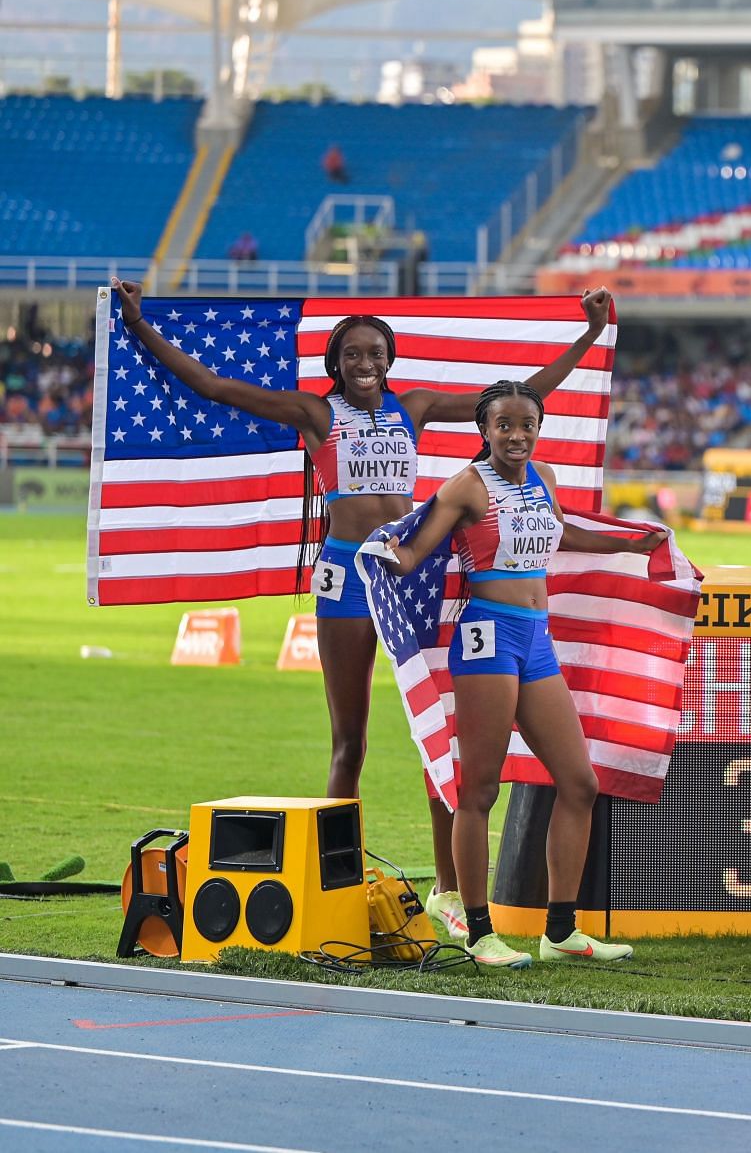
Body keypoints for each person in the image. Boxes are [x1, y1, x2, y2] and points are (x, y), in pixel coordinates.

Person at [111, 278, 614, 940]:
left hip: (407, 575)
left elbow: (518, 399)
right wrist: (142, 327)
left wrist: (587, 335)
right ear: (336, 362)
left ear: (390, 356)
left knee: (440, 736)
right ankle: (335, 882)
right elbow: (216, 388)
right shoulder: (315, 414)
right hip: (348, 573)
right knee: (350, 740)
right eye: (353, 353)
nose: (366, 363)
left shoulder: (419, 405)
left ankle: (451, 890)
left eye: (375, 351)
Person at [374, 380, 664, 968]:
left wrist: (631, 542)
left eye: (527, 424)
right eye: (504, 425)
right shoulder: (467, 486)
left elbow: (564, 535)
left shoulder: (544, 478)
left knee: (578, 782)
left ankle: (560, 932)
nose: (517, 435)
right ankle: (479, 934)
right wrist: (380, 553)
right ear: (485, 430)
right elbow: (415, 551)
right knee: (479, 790)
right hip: (486, 639)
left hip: (537, 639)